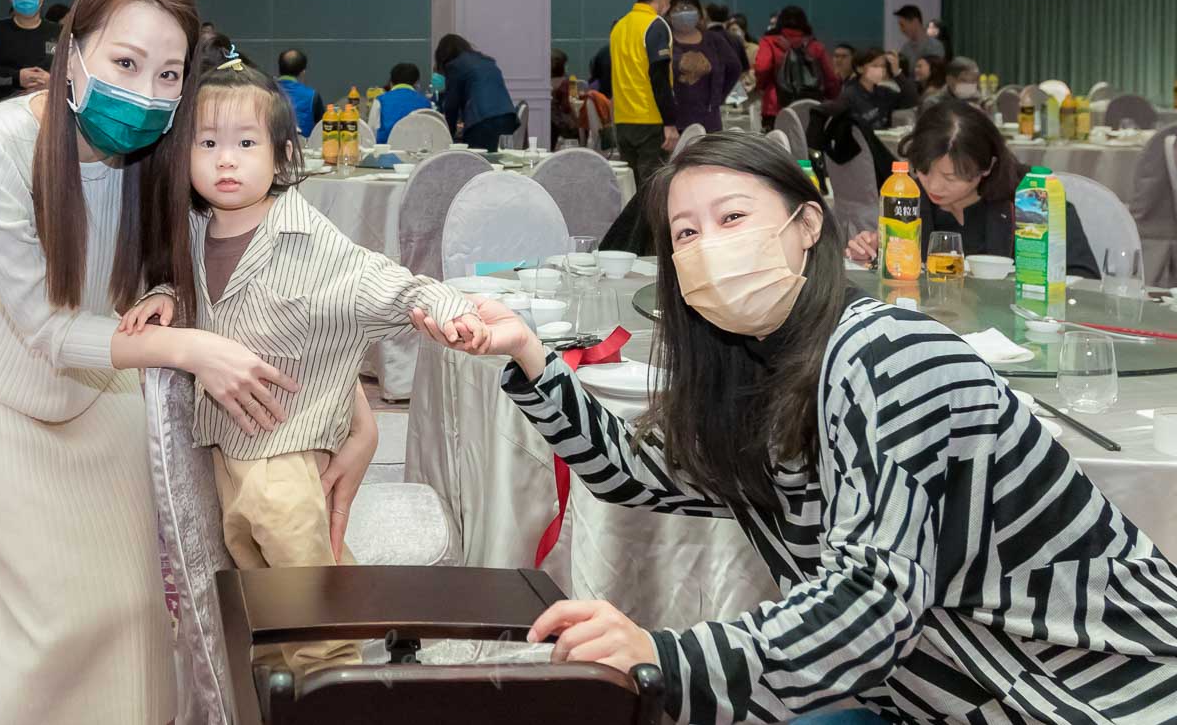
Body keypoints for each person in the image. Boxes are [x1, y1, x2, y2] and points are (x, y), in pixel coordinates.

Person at [411, 131, 1177, 725]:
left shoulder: (887, 353)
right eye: (684, 233)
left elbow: (872, 602)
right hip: (945, 694)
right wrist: (531, 353)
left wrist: (666, 654)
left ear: (807, 224)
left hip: (1091, 695)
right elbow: (634, 474)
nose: (707, 246)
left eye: (732, 217)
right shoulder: (763, 373)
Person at [0, 0, 379, 725]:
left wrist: (350, 408)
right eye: (125, 63)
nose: (146, 93)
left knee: (129, 608)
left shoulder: (167, 153)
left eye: (169, 75)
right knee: (49, 618)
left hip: (104, 382)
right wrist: (190, 349)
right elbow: (46, 330)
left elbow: (261, 283)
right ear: (72, 51)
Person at [122, 40, 484, 678]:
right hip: (228, 441)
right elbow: (186, 285)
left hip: (287, 443)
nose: (225, 160)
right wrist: (163, 295)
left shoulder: (309, 238)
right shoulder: (195, 229)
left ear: (282, 156)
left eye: (246, 143)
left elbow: (383, 280)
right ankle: (284, 678)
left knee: (302, 572)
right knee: (255, 573)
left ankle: (329, 681)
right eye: (207, 144)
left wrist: (448, 306)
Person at [846, 100, 1100, 277]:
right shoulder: (910, 198)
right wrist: (875, 255)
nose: (933, 186)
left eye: (951, 177)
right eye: (923, 170)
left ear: (987, 167)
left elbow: (1083, 280)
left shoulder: (1031, 198)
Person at [611, 0, 678, 189]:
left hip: (623, 120)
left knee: (631, 190)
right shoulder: (656, 25)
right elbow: (659, 77)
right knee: (652, 190)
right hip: (650, 120)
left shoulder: (619, 26)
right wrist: (670, 122)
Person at [752, 5, 839, 131]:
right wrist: (832, 98)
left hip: (776, 107)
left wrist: (761, 86)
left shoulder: (769, 42)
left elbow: (762, 68)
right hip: (811, 108)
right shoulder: (815, 46)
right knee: (809, 142)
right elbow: (831, 78)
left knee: (777, 142)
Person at [667, 0, 742, 133]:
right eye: (677, 9)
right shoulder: (665, 40)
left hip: (709, 121)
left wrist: (718, 98)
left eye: (689, 7)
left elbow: (735, 68)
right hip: (675, 124)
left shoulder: (714, 40)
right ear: (669, 15)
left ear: (699, 13)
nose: (684, 12)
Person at [434, 33, 519, 152]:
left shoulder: (455, 66)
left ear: (443, 55)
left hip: (482, 120)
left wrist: (449, 135)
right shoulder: (487, 61)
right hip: (507, 116)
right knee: (500, 157)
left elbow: (452, 105)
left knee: (477, 160)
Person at [0, 0, 58, 101]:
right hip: (5, 107)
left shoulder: (59, 33)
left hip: (46, 107)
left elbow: (73, 73)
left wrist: (53, 81)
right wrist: (16, 77)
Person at [820, 46, 918, 131]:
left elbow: (912, 100)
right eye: (875, 66)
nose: (880, 70)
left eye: (883, 66)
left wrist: (897, 72)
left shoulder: (884, 92)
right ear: (860, 68)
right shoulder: (850, 95)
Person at [373, 62, 432, 144]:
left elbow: (371, 134)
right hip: (417, 150)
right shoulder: (426, 102)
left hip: (387, 150)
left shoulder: (380, 100)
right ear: (417, 83)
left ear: (391, 82)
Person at [276, 48, 325, 137]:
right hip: (303, 145)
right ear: (302, 73)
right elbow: (322, 128)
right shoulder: (312, 96)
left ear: (279, 69)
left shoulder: (265, 92)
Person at [894, 3, 946, 74]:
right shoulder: (905, 48)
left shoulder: (935, 46)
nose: (901, 29)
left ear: (915, 22)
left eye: (902, 25)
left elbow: (935, 73)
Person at [705, 1, 749, 71]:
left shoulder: (703, 39)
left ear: (707, 16)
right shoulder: (736, 40)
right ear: (727, 17)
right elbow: (745, 68)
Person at [549, 49, 580, 145]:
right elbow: (571, 106)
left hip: (550, 129)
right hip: (567, 128)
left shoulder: (543, 85)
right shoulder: (570, 82)